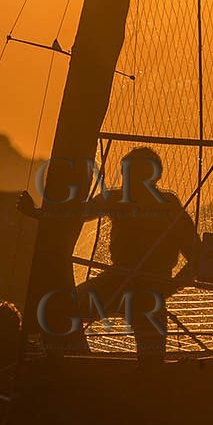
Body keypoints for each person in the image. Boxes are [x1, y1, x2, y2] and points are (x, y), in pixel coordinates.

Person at [21, 147, 200, 366]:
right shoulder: (116, 199)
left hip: (151, 287)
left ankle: (151, 375)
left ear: (153, 178)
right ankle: (70, 365)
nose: (127, 183)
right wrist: (37, 213)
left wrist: (170, 287)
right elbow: (76, 214)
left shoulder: (169, 208)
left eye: (135, 177)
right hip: (115, 281)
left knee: (152, 358)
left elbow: (197, 258)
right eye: (126, 176)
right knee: (59, 309)